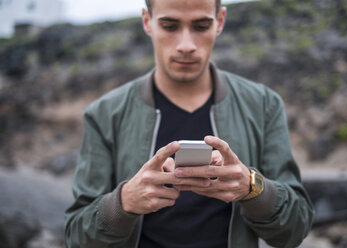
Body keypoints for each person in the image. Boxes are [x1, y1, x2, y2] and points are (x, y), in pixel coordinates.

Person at [64, 0, 314, 247]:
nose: (186, 46)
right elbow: (77, 237)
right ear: (146, 22)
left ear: (221, 21)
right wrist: (123, 203)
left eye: (201, 26)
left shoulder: (263, 105)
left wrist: (252, 188)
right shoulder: (104, 114)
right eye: (170, 26)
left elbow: (294, 230)